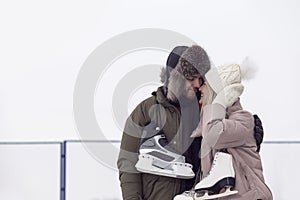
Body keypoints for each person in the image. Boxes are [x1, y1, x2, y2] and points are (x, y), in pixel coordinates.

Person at [117, 45, 212, 200]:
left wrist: (249, 130)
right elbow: (127, 161)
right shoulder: (146, 111)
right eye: (190, 78)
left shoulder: (204, 110)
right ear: (174, 78)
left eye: (199, 78)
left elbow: (227, 142)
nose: (196, 84)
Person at [176, 62, 273, 199]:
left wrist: (218, 100)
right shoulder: (209, 124)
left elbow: (212, 135)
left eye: (206, 85)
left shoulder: (243, 120)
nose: (200, 89)